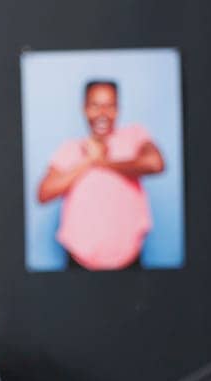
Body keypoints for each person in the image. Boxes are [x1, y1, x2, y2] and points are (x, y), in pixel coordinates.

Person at [36, 79, 166, 271]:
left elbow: (155, 163)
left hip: (130, 261)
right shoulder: (70, 149)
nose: (102, 113)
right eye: (95, 106)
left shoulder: (135, 136)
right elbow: (44, 193)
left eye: (109, 106)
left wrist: (101, 161)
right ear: (85, 109)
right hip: (79, 263)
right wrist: (88, 161)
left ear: (117, 109)